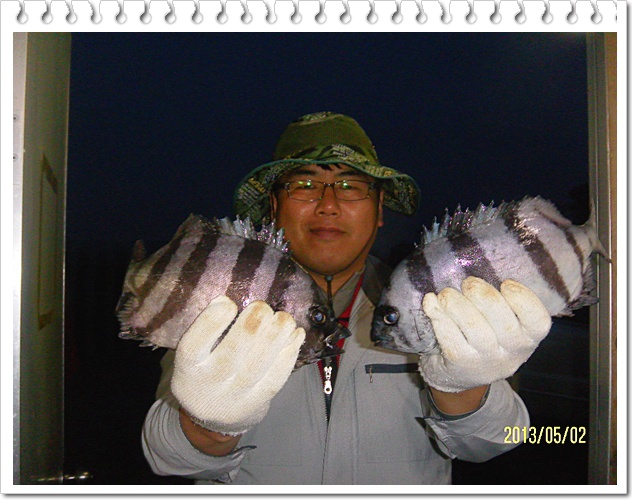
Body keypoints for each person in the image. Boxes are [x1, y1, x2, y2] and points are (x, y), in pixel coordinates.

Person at [142, 112, 551, 485]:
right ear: (274, 208)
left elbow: (497, 440)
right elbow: (167, 456)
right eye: (304, 185)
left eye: (351, 187)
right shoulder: (223, 301)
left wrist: (459, 387)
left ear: (379, 209)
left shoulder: (433, 302)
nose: (328, 205)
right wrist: (211, 424)